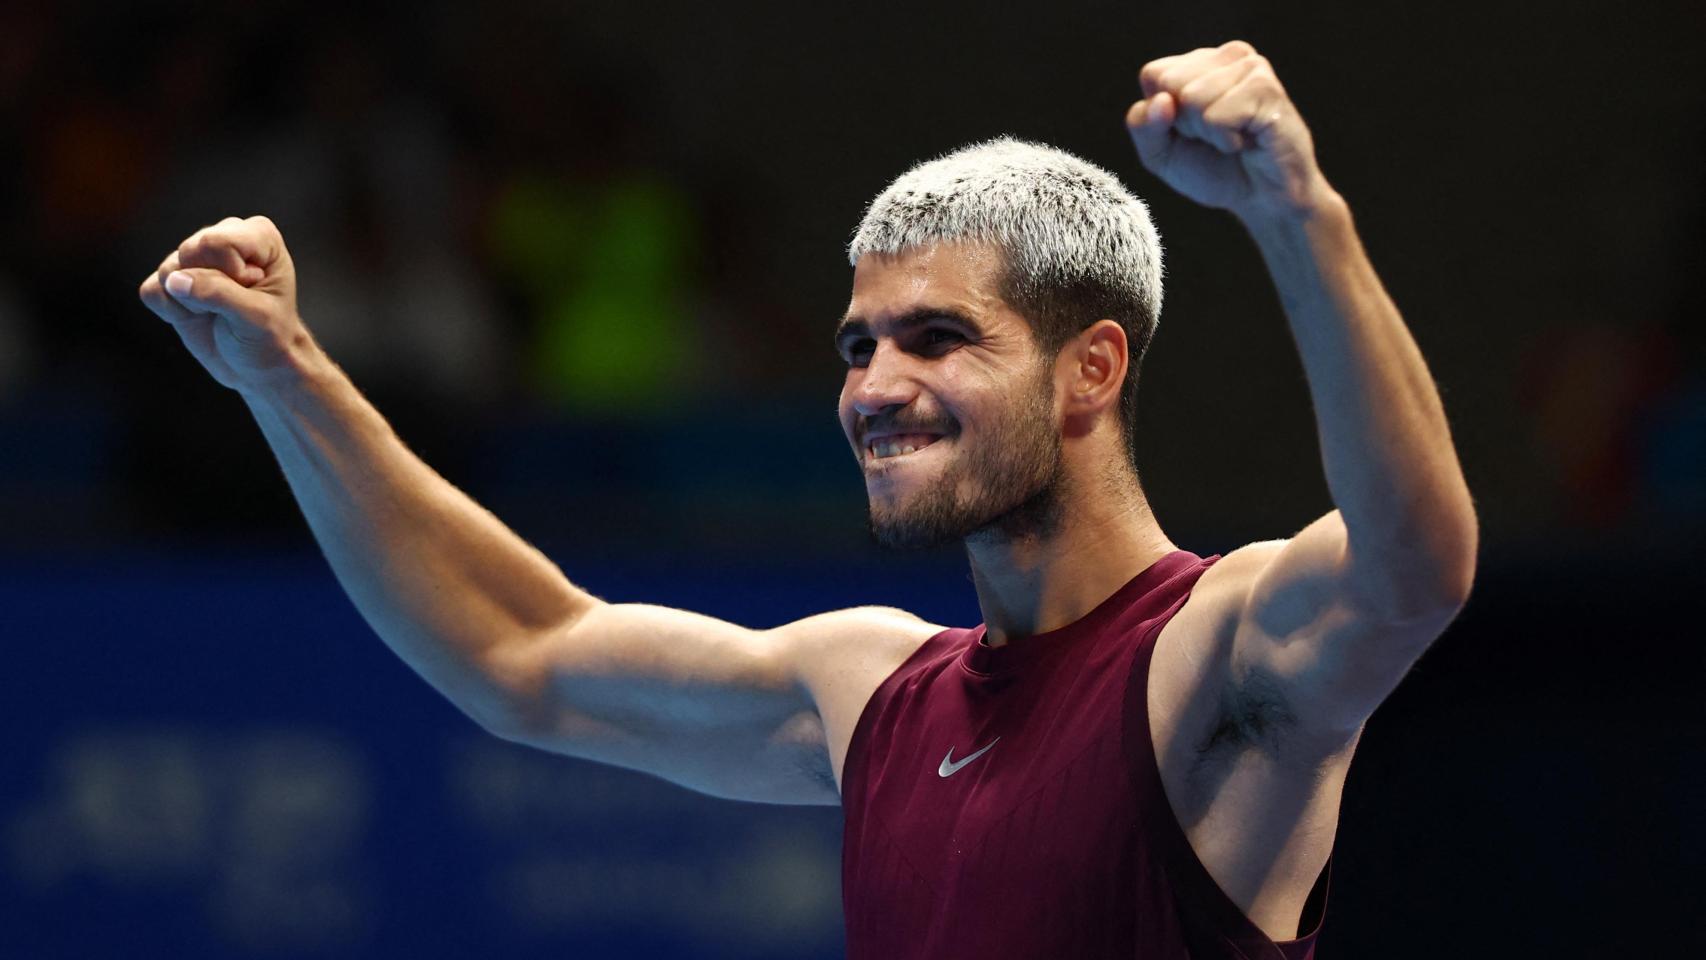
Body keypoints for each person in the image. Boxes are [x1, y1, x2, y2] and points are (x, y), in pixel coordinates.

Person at [138, 40, 1476, 960]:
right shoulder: (871, 689)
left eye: (937, 339)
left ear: (1091, 370)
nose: (873, 389)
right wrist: (287, 377)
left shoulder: (1209, 656)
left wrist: (1300, 210)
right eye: (856, 345)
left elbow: (1413, 565)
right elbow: (521, 653)